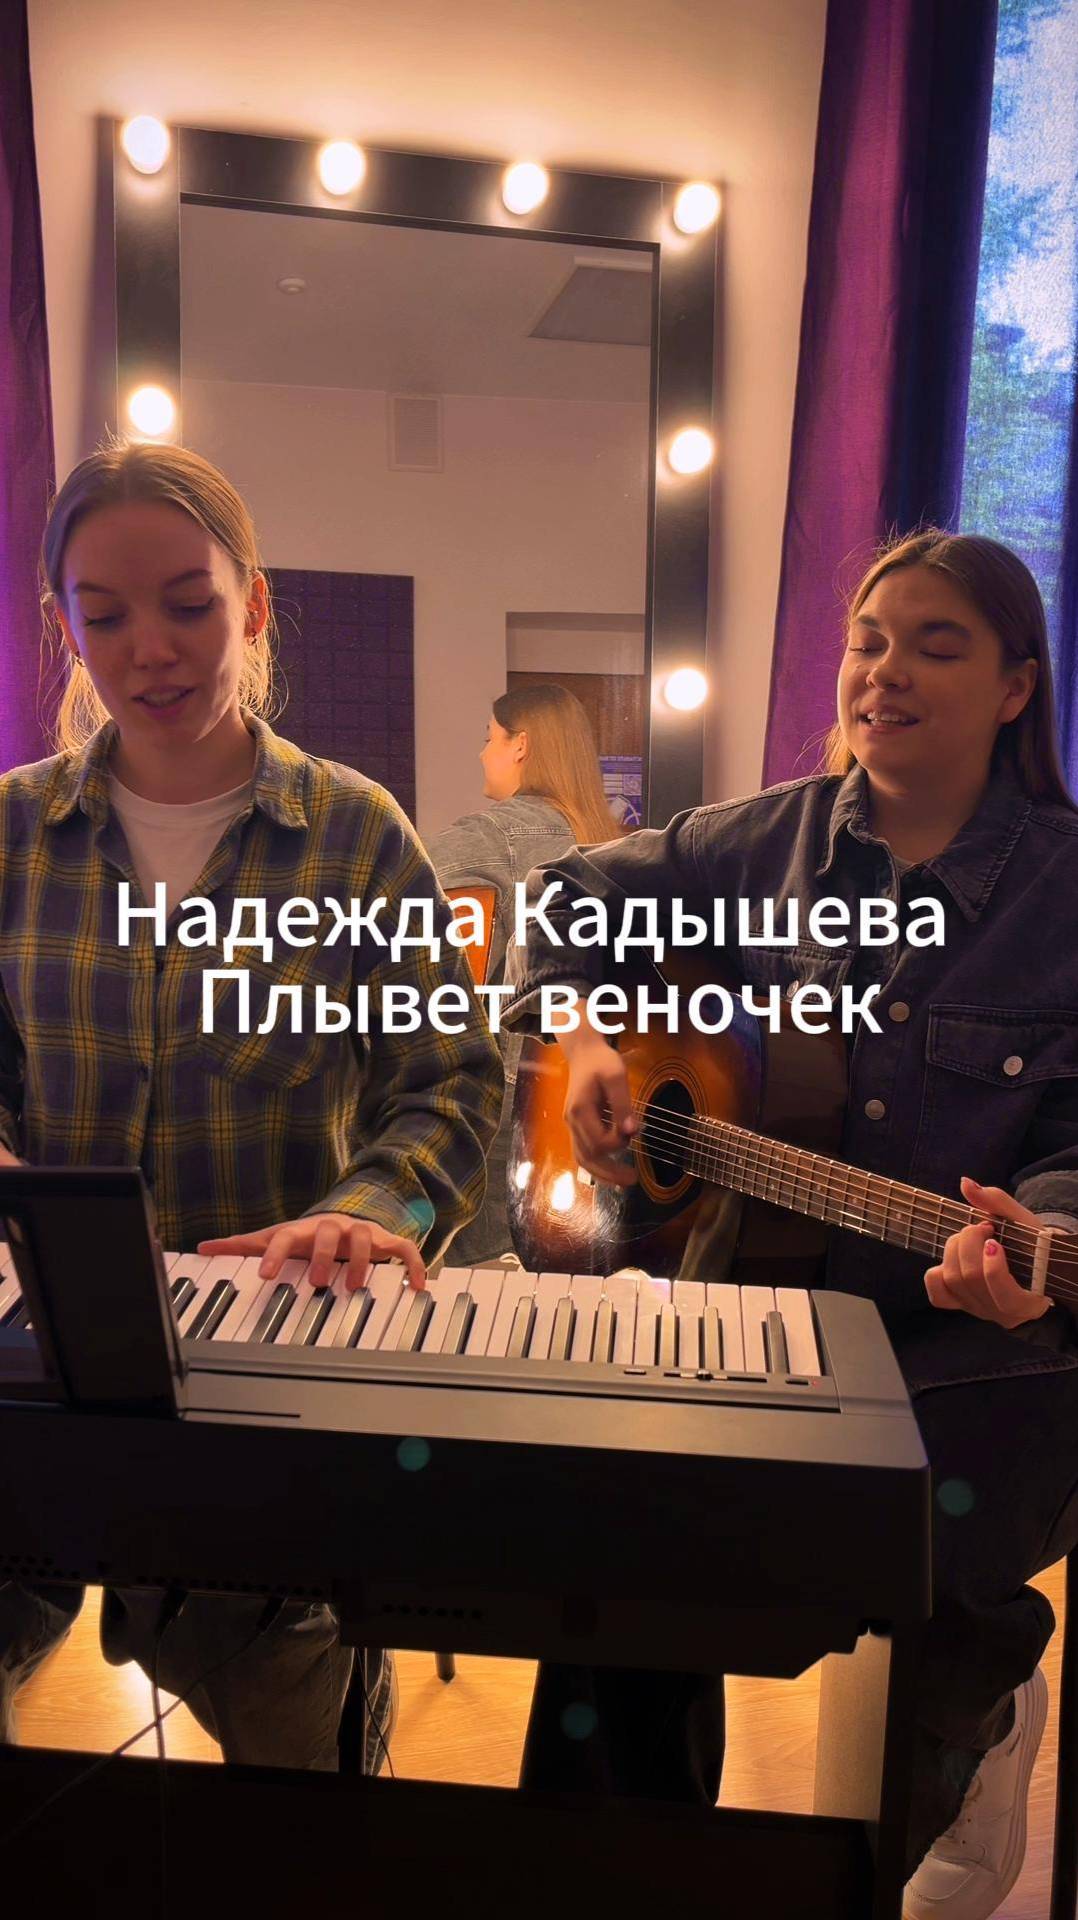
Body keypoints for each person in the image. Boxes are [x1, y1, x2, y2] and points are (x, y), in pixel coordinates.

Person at [512, 529, 1078, 1920]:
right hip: (753, 1304)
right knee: (615, 1533)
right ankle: (613, 1882)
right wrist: (581, 1031)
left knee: (911, 1542)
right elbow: (564, 897)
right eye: (865, 641)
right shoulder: (751, 843)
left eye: (934, 645)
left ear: (1015, 686)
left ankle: (967, 1706)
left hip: (979, 1346)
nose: (883, 672)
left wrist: (1041, 1236)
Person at [0, 440, 502, 1770]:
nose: (150, 649)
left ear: (255, 605)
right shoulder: (9, 836)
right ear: (64, 628)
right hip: (35, 1373)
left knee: (302, 1799)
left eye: (188, 604)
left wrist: (374, 1209)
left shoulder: (356, 833)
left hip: (272, 1395)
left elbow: (451, 1078)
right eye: (104, 616)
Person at [428, 683, 622, 1262]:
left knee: (475, 1301)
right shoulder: (620, 847)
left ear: (521, 745)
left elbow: (438, 1001)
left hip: (495, 1133)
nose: (483, 753)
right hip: (600, 1124)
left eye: (490, 738)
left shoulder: (478, 844)